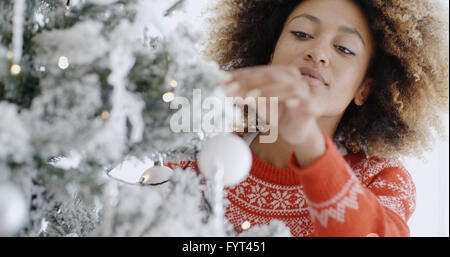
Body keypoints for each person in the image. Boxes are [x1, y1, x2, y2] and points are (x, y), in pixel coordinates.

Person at [170, 0, 449, 237]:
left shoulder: (382, 178)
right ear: (270, 56)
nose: (317, 52)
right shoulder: (194, 156)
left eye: (345, 49)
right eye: (302, 33)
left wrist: (307, 140)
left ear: (365, 89)